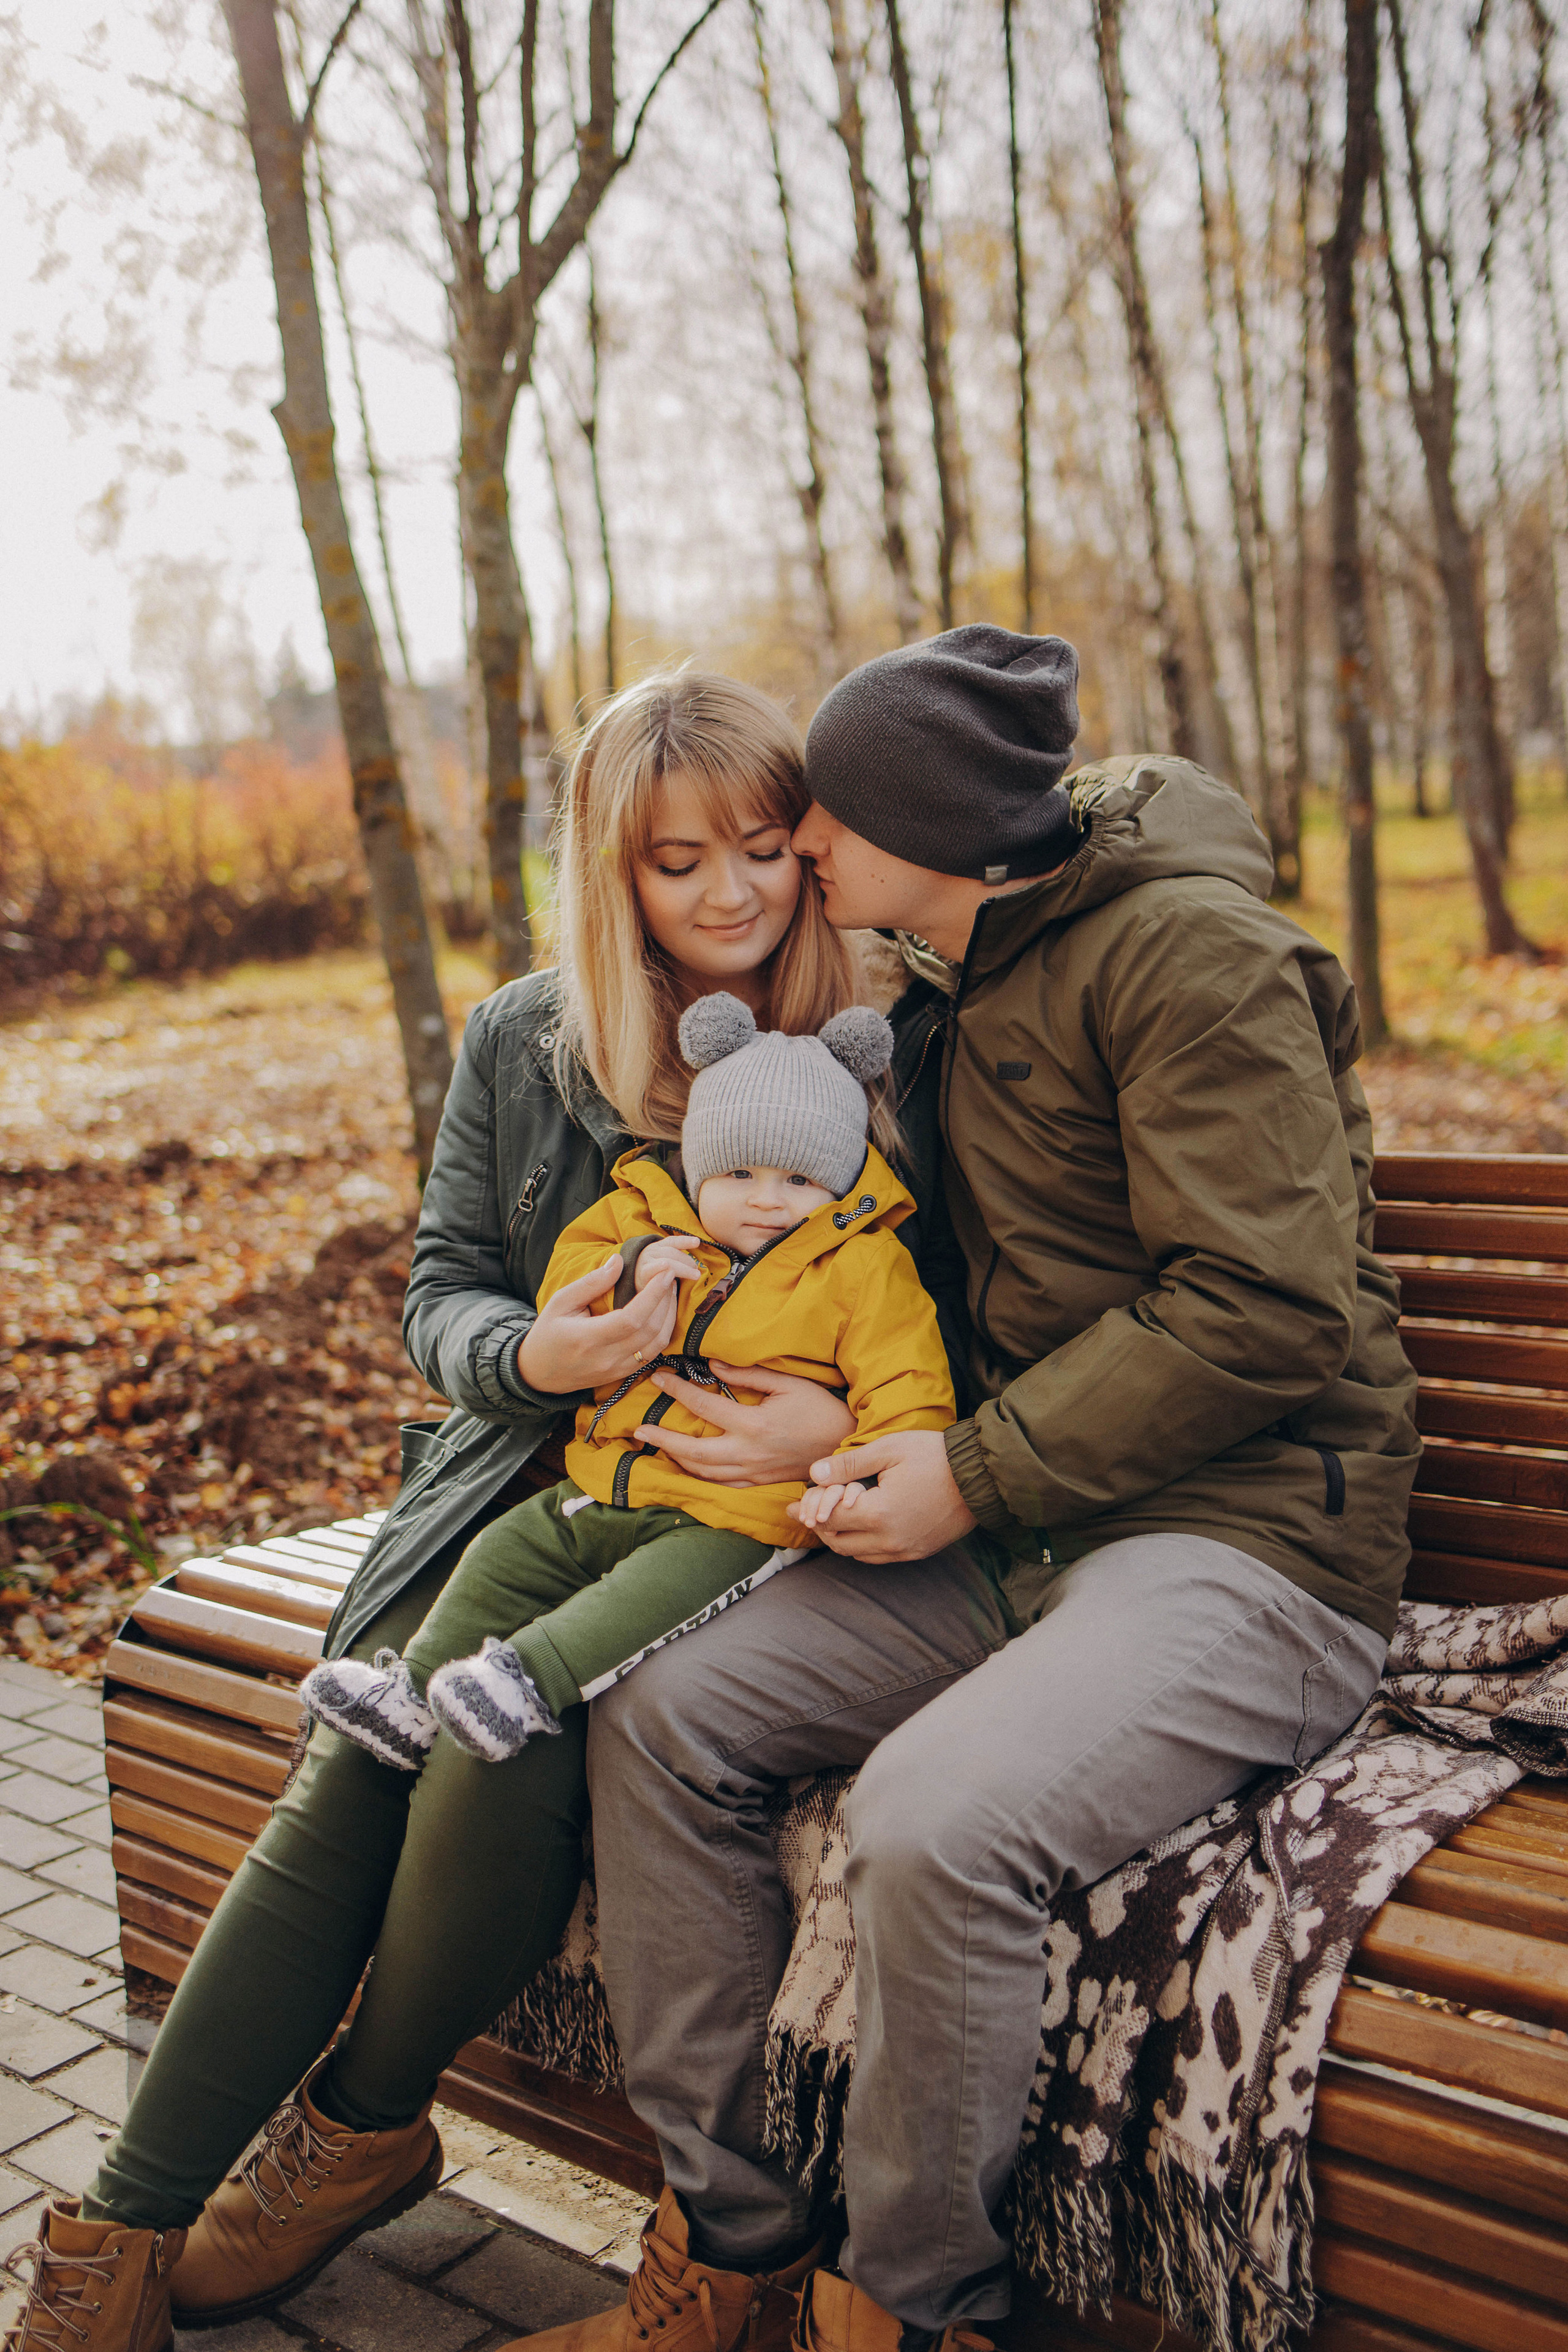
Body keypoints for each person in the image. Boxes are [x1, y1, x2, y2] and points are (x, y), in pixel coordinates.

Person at [5, 671, 1009, 2352]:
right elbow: (441, 1297)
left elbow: (976, 1314)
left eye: (762, 849)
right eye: (678, 863)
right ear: (615, 875)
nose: (730, 895)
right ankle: (116, 2235)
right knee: (359, 1775)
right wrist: (539, 1349)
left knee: (484, 1750)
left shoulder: (899, 1031)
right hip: (526, 1497)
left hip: (759, 1529)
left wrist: (849, 1419)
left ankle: (357, 2130)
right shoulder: (527, 1042)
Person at [519, 627, 1419, 2352]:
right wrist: (812, 1417)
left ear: (925, 824)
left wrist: (972, 1469)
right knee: (663, 1716)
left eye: (820, 824)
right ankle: (739, 2246)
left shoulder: (1188, 960)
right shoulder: (953, 982)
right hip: (1026, 1520)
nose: (795, 857)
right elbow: (881, 1260)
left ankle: (909, 2305)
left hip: (1251, 1544)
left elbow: (1270, 1304)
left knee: (932, 1821)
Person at [300, 993, 955, 1771]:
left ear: (839, 1183)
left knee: (644, 1599)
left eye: (799, 1179)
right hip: (610, 1480)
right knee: (503, 1552)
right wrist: (635, 1267)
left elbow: (907, 1381)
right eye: (739, 1170)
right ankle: (409, 1695)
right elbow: (568, 1273)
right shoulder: (645, 1215)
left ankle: (527, 1684)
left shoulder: (862, 1265)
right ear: (701, 1165)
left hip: (735, 1517)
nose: (767, 1199)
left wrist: (864, 1475)